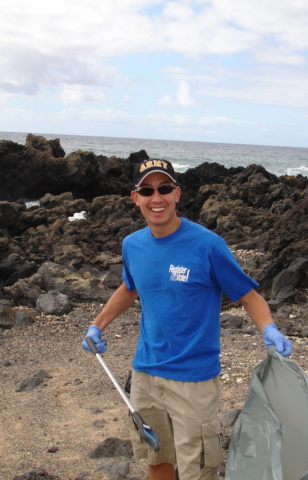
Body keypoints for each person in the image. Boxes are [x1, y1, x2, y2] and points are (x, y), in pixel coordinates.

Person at [82, 159, 292, 480]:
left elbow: (248, 296)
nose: (157, 198)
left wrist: (270, 329)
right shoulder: (132, 245)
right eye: (147, 190)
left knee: (199, 471)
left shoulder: (208, 246)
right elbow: (129, 287)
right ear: (135, 197)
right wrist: (98, 325)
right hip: (146, 375)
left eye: (165, 188)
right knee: (157, 458)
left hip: (194, 380)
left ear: (177, 194)